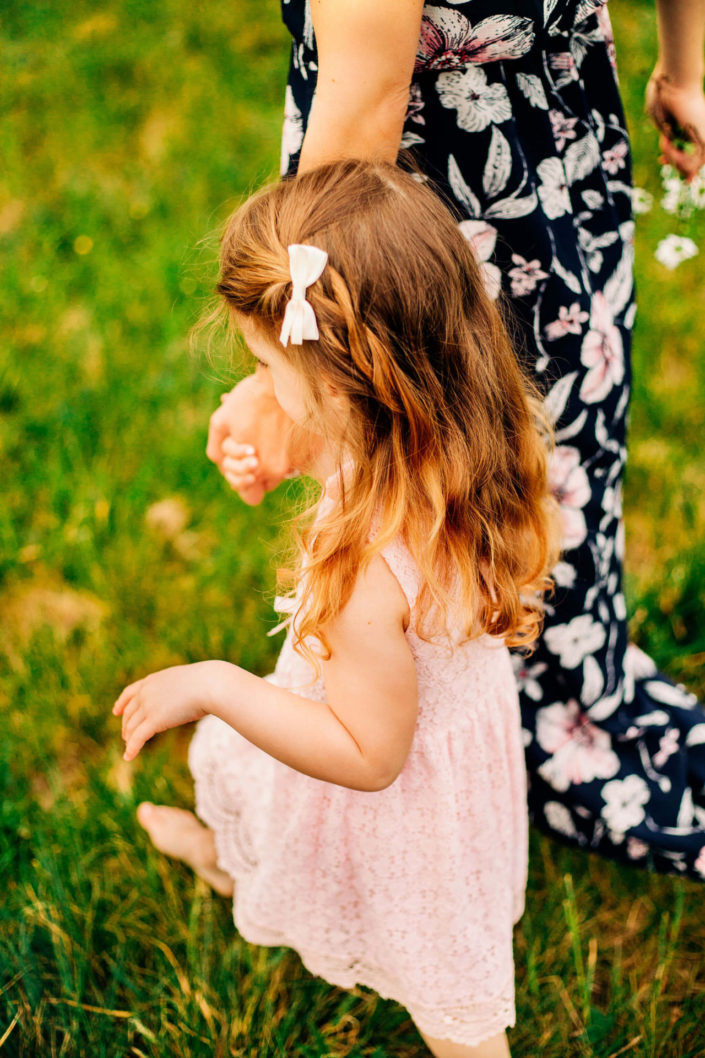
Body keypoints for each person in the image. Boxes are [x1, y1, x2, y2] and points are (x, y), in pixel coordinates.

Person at [208, 0, 705, 878]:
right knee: (540, 460)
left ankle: (435, 745)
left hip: (407, 215)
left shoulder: (347, 333)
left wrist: (285, 371)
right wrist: (685, 67)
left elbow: (366, 99)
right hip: (558, 148)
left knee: (413, 499)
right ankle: (539, 706)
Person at [114, 159, 559, 1057]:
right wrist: (297, 458)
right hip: (453, 744)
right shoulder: (473, 428)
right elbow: (343, 453)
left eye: (268, 365)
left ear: (346, 385)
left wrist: (216, 684)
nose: (261, 385)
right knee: (284, 840)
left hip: (399, 799)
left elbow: (365, 757)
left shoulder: (362, 568)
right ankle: (231, 865)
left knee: (450, 998)